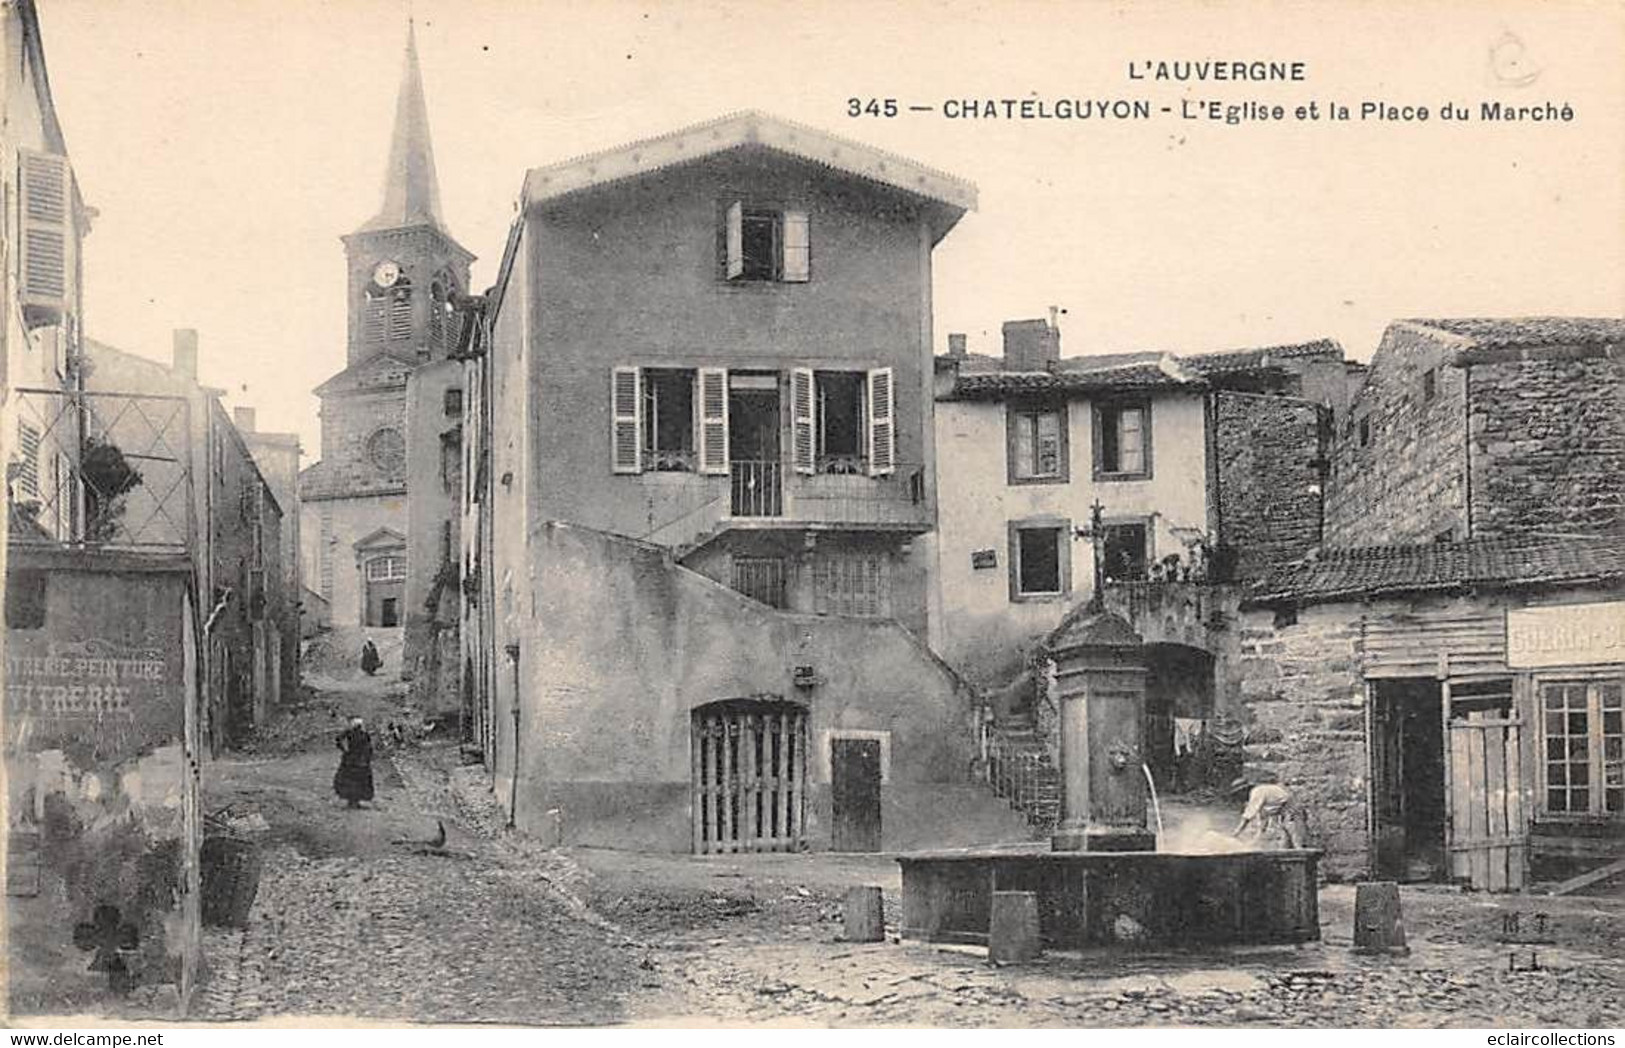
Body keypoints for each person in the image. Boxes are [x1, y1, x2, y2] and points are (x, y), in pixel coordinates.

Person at [1231, 776, 1307, 848]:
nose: (1239, 796)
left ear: (1244, 790)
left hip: (1292, 812)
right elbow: (1263, 821)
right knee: (1284, 844)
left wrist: (1236, 833)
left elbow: (1248, 816)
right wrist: (1256, 840)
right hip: (1284, 814)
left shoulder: (1257, 792)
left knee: (1297, 841)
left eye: (1239, 793)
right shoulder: (1261, 795)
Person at [334, 717, 375, 809]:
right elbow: (369, 748)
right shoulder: (362, 734)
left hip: (353, 759)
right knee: (356, 780)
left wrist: (344, 750)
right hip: (358, 760)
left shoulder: (352, 733)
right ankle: (354, 800)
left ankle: (353, 800)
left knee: (353, 779)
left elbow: (338, 739)